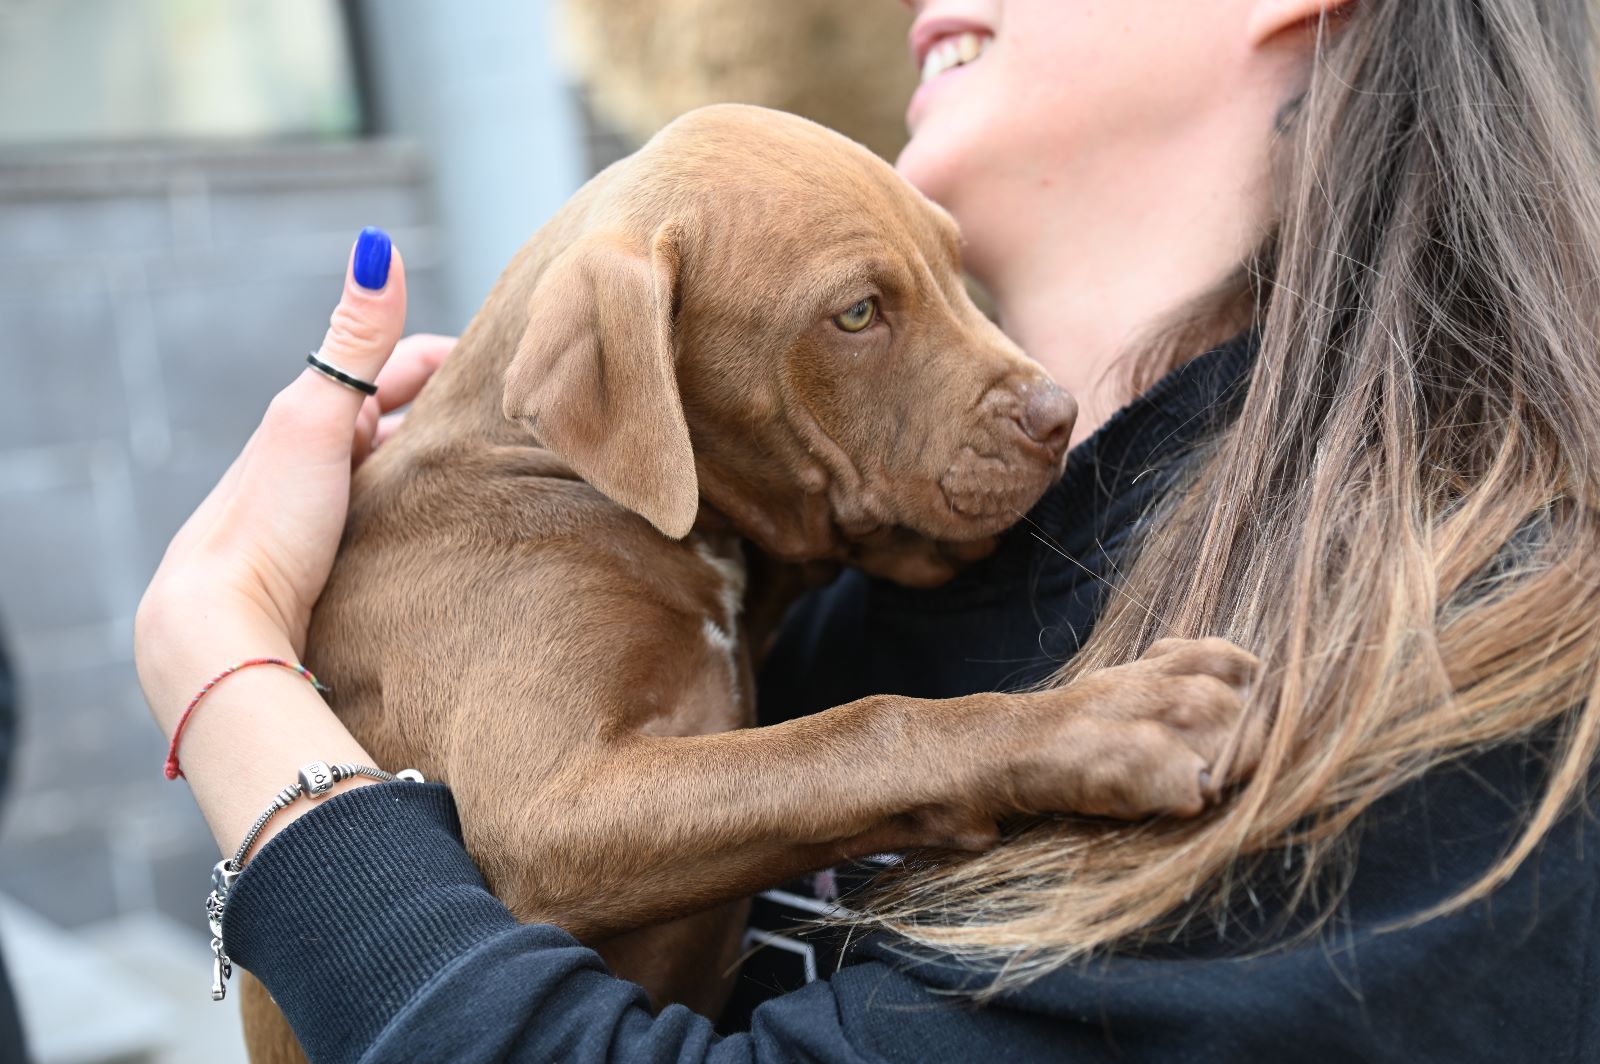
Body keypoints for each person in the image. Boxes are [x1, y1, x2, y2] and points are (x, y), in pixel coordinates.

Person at [135, 0, 1600, 1060]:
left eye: (891, 302)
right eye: (860, 311)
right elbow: (556, 821)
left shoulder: (1475, 675)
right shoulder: (852, 583)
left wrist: (228, 685)